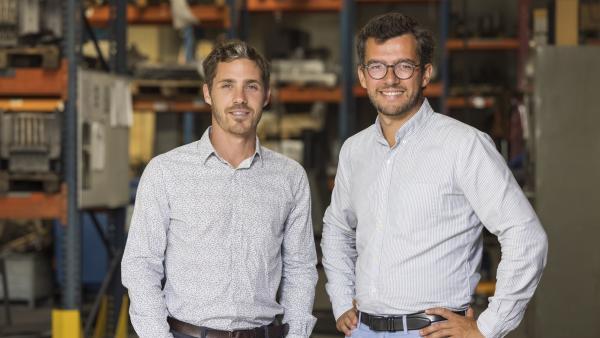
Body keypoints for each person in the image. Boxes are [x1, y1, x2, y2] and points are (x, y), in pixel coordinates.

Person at [321, 12, 548, 338]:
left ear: (425, 73)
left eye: (404, 66)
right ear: (362, 75)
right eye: (376, 67)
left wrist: (488, 327)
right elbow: (337, 228)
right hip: (364, 330)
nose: (389, 79)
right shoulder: (354, 151)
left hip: (432, 332)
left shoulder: (464, 146)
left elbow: (526, 236)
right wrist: (342, 298)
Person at [122, 40, 318, 338]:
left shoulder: (290, 178)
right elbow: (140, 265)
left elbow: (300, 268)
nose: (240, 98)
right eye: (227, 85)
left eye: (251, 86)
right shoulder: (166, 172)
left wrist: (297, 334)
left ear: (266, 95)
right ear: (207, 93)